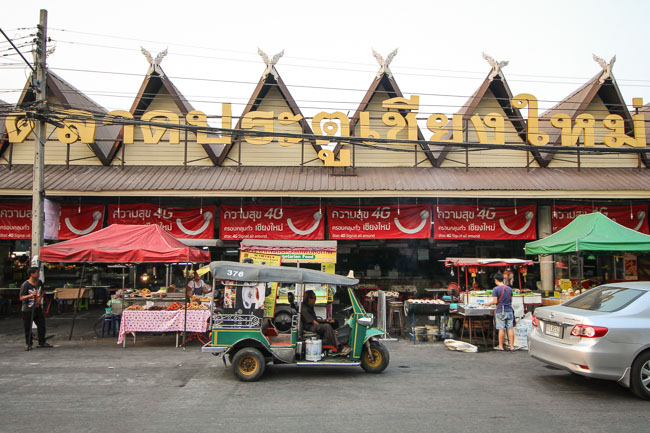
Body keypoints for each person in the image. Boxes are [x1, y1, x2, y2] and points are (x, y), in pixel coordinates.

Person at [301, 290, 350, 355]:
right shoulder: (304, 308)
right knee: (326, 326)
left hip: (314, 325)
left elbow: (315, 319)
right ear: (309, 299)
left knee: (334, 322)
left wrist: (327, 320)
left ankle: (335, 337)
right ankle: (338, 346)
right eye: (314, 298)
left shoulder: (310, 306)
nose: (315, 300)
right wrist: (329, 329)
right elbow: (313, 322)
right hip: (309, 327)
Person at [19, 266, 53, 351]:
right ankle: (28, 343)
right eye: (37, 272)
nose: (38, 274)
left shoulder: (39, 282)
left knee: (41, 325)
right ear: (32, 274)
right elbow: (21, 297)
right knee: (28, 327)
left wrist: (40, 298)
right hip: (27, 309)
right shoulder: (25, 285)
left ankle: (42, 341)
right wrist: (30, 295)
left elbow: (42, 292)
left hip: (37, 308)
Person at [486, 273, 515, 351]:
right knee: (510, 328)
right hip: (509, 310)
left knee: (501, 329)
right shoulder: (509, 289)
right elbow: (511, 300)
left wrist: (488, 303)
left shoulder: (496, 289)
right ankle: (512, 346)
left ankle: (501, 346)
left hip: (501, 311)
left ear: (496, 280)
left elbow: (495, 301)